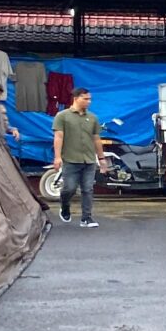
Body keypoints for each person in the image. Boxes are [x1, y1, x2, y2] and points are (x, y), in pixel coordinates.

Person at [50, 87, 103, 228]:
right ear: (76, 98)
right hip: (70, 159)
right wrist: (57, 157)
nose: (89, 102)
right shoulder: (62, 116)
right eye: (85, 99)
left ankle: (86, 218)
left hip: (89, 159)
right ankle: (65, 206)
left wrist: (101, 158)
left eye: (90, 99)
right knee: (69, 188)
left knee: (88, 189)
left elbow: (96, 138)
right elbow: (58, 137)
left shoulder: (92, 118)